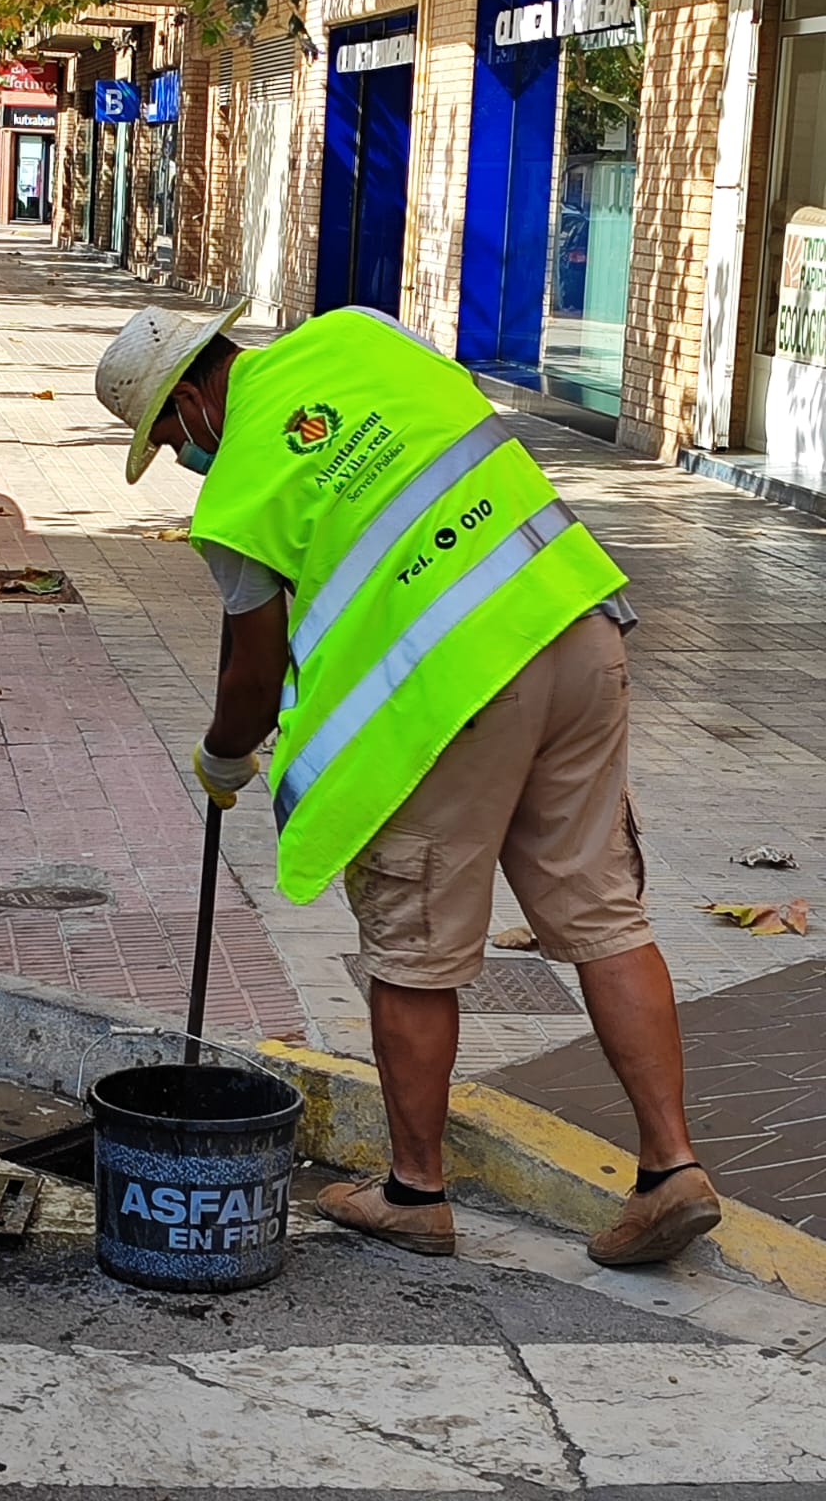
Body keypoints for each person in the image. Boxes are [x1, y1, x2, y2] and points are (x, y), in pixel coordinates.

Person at [95, 303, 721, 1268]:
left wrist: (224, 757)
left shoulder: (234, 500)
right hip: (571, 621)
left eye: (171, 433)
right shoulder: (360, 335)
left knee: (414, 946)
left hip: (453, 696)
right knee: (603, 914)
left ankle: (416, 1192)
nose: (181, 454)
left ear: (191, 395)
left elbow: (253, 680)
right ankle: (670, 1167)